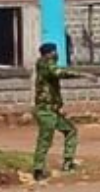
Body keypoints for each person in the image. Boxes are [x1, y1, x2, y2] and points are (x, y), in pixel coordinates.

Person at [32, 42, 95, 181]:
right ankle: (38, 169)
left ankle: (68, 163)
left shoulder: (46, 64)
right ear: (48, 54)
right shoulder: (45, 64)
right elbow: (59, 73)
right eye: (53, 51)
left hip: (53, 111)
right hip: (45, 111)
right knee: (45, 140)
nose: (56, 54)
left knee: (71, 131)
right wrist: (83, 75)